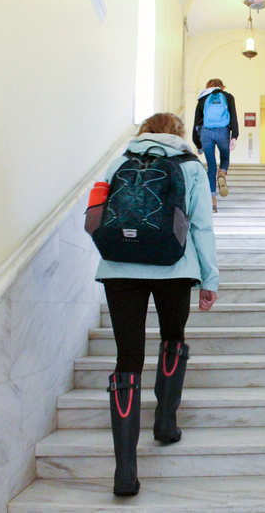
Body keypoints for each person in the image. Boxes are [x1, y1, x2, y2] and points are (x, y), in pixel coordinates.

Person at [95, 113, 219, 496]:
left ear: (143, 131)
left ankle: (125, 472)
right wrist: (208, 278)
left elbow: (96, 218)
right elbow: (201, 225)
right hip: (175, 266)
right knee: (172, 338)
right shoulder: (190, 166)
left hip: (118, 270)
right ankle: (165, 422)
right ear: (179, 134)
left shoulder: (116, 162)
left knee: (127, 359)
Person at [193, 78, 239, 212]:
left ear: (208, 87)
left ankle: (213, 201)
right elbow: (234, 117)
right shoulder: (228, 97)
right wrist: (234, 136)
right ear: (222, 87)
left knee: (211, 166)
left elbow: (196, 122)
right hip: (223, 132)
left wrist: (197, 143)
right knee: (225, 157)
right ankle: (222, 173)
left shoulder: (203, 98)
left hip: (206, 133)